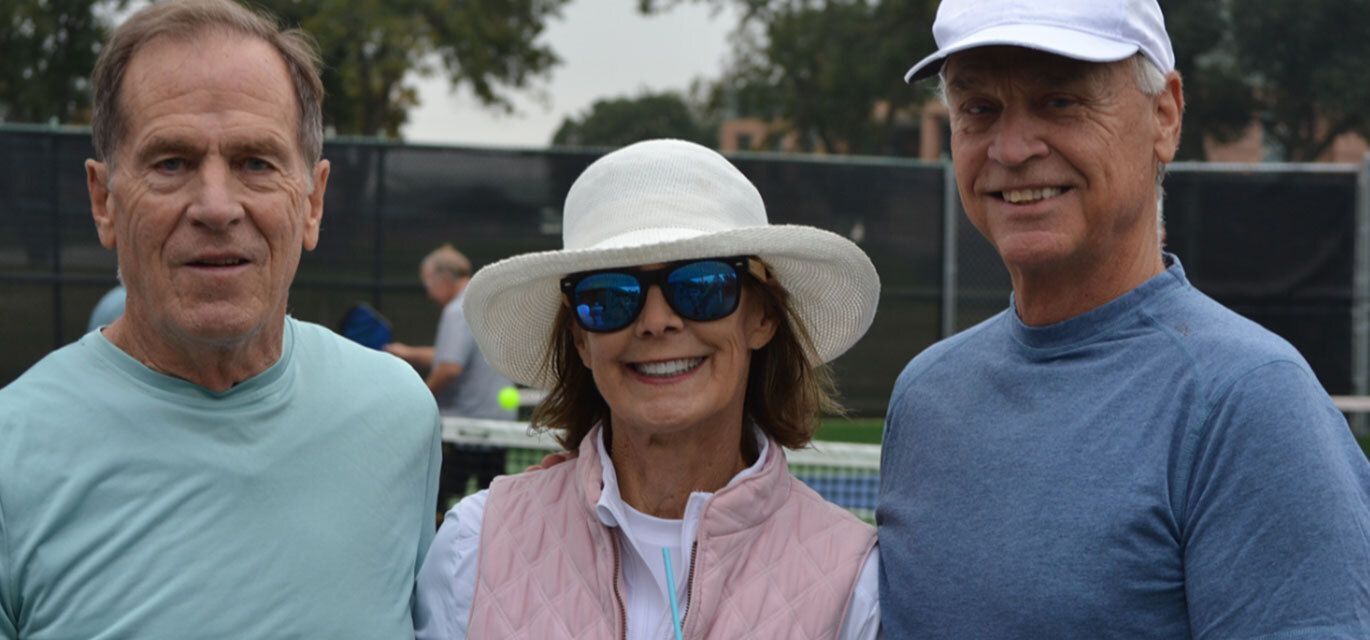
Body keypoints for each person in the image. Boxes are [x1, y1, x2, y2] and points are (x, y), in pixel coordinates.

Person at [879, 1, 1370, 638]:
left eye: (1060, 100)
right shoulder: (924, 395)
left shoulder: (1249, 402)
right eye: (979, 110)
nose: (1013, 147)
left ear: (1164, 116)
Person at [0, 1, 441, 637]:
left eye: (255, 162)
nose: (215, 206)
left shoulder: (398, 414)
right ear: (104, 201)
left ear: (312, 201)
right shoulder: (13, 457)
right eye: (171, 162)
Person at [413, 139, 883, 639]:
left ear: (762, 317)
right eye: (610, 297)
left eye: (703, 286)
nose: (657, 321)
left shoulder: (855, 584)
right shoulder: (473, 545)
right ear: (581, 339)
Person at [387, 244, 516, 513]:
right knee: (495, 512)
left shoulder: (457, 311)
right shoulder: (485, 303)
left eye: (428, 282)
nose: (428, 292)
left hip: (466, 431)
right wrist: (408, 352)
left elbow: (450, 368)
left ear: (443, 278)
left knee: (434, 506)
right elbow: (456, 356)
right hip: (499, 427)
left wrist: (419, 398)